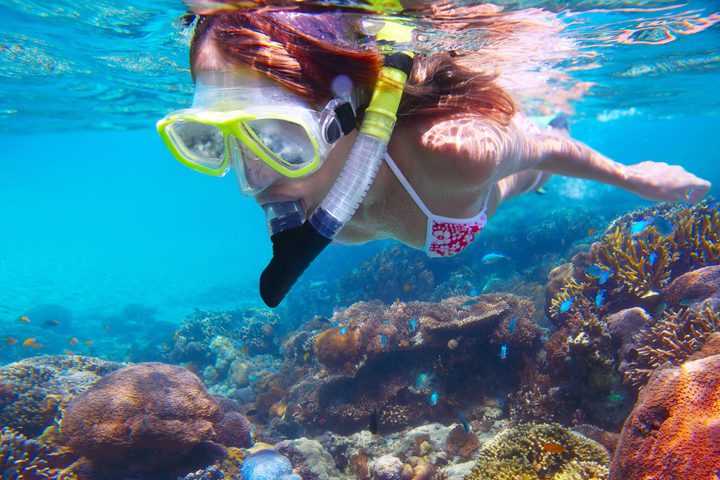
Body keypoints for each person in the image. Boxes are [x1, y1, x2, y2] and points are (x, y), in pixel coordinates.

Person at [157, 4, 711, 306]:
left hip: (469, 194)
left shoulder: (452, 152)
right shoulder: (304, 196)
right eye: (212, 140)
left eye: (277, 136)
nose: (253, 179)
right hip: (440, 215)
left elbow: (550, 148)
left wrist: (635, 179)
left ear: (353, 113)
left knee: (532, 173)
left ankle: (556, 118)